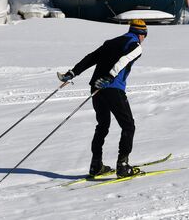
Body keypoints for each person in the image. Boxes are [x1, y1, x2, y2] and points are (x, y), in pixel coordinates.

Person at [57, 19, 148, 178]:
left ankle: (96, 165)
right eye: (144, 36)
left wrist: (73, 73)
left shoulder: (111, 42)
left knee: (103, 125)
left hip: (96, 88)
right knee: (128, 126)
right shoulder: (136, 46)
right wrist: (110, 77)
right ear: (142, 34)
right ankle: (123, 166)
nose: (144, 39)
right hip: (112, 88)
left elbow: (91, 58)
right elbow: (124, 60)